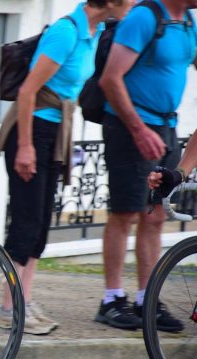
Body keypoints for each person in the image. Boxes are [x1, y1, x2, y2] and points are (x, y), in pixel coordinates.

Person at [0, 0, 133, 335]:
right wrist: (25, 147)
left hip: (55, 131)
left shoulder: (95, 30)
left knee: (40, 222)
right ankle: (8, 307)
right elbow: (27, 91)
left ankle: (23, 300)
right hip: (32, 130)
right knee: (27, 219)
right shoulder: (66, 32)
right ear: (111, 1)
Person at [94, 0, 196, 332]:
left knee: (154, 215)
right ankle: (111, 299)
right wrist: (138, 129)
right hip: (129, 127)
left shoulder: (188, 22)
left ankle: (145, 299)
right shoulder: (144, 16)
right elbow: (111, 79)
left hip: (166, 128)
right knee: (125, 213)